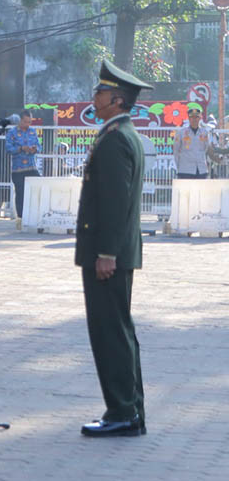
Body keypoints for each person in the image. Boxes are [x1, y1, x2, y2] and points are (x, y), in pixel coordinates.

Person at [76, 59, 152, 438]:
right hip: (116, 251)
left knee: (110, 331)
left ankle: (122, 411)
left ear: (118, 100)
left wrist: (106, 252)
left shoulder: (115, 139)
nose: (95, 96)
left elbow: (114, 202)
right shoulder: (120, 134)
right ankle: (129, 408)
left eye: (101, 92)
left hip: (109, 254)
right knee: (119, 329)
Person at [6, 110, 40, 223]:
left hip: (31, 167)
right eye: (25, 122)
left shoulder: (33, 131)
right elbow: (8, 149)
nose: (28, 124)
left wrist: (35, 149)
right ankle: (21, 219)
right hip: (18, 169)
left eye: (30, 122)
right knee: (20, 193)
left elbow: (39, 146)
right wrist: (20, 149)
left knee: (38, 188)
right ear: (20, 120)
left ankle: (36, 216)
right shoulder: (12, 132)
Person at [172, 107, 214, 179]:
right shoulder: (181, 133)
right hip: (185, 169)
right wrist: (179, 165)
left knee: (201, 190)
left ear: (200, 118)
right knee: (185, 190)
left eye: (197, 117)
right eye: (192, 117)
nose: (194, 119)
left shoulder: (204, 133)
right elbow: (176, 150)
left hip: (201, 169)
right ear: (189, 118)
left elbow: (206, 148)